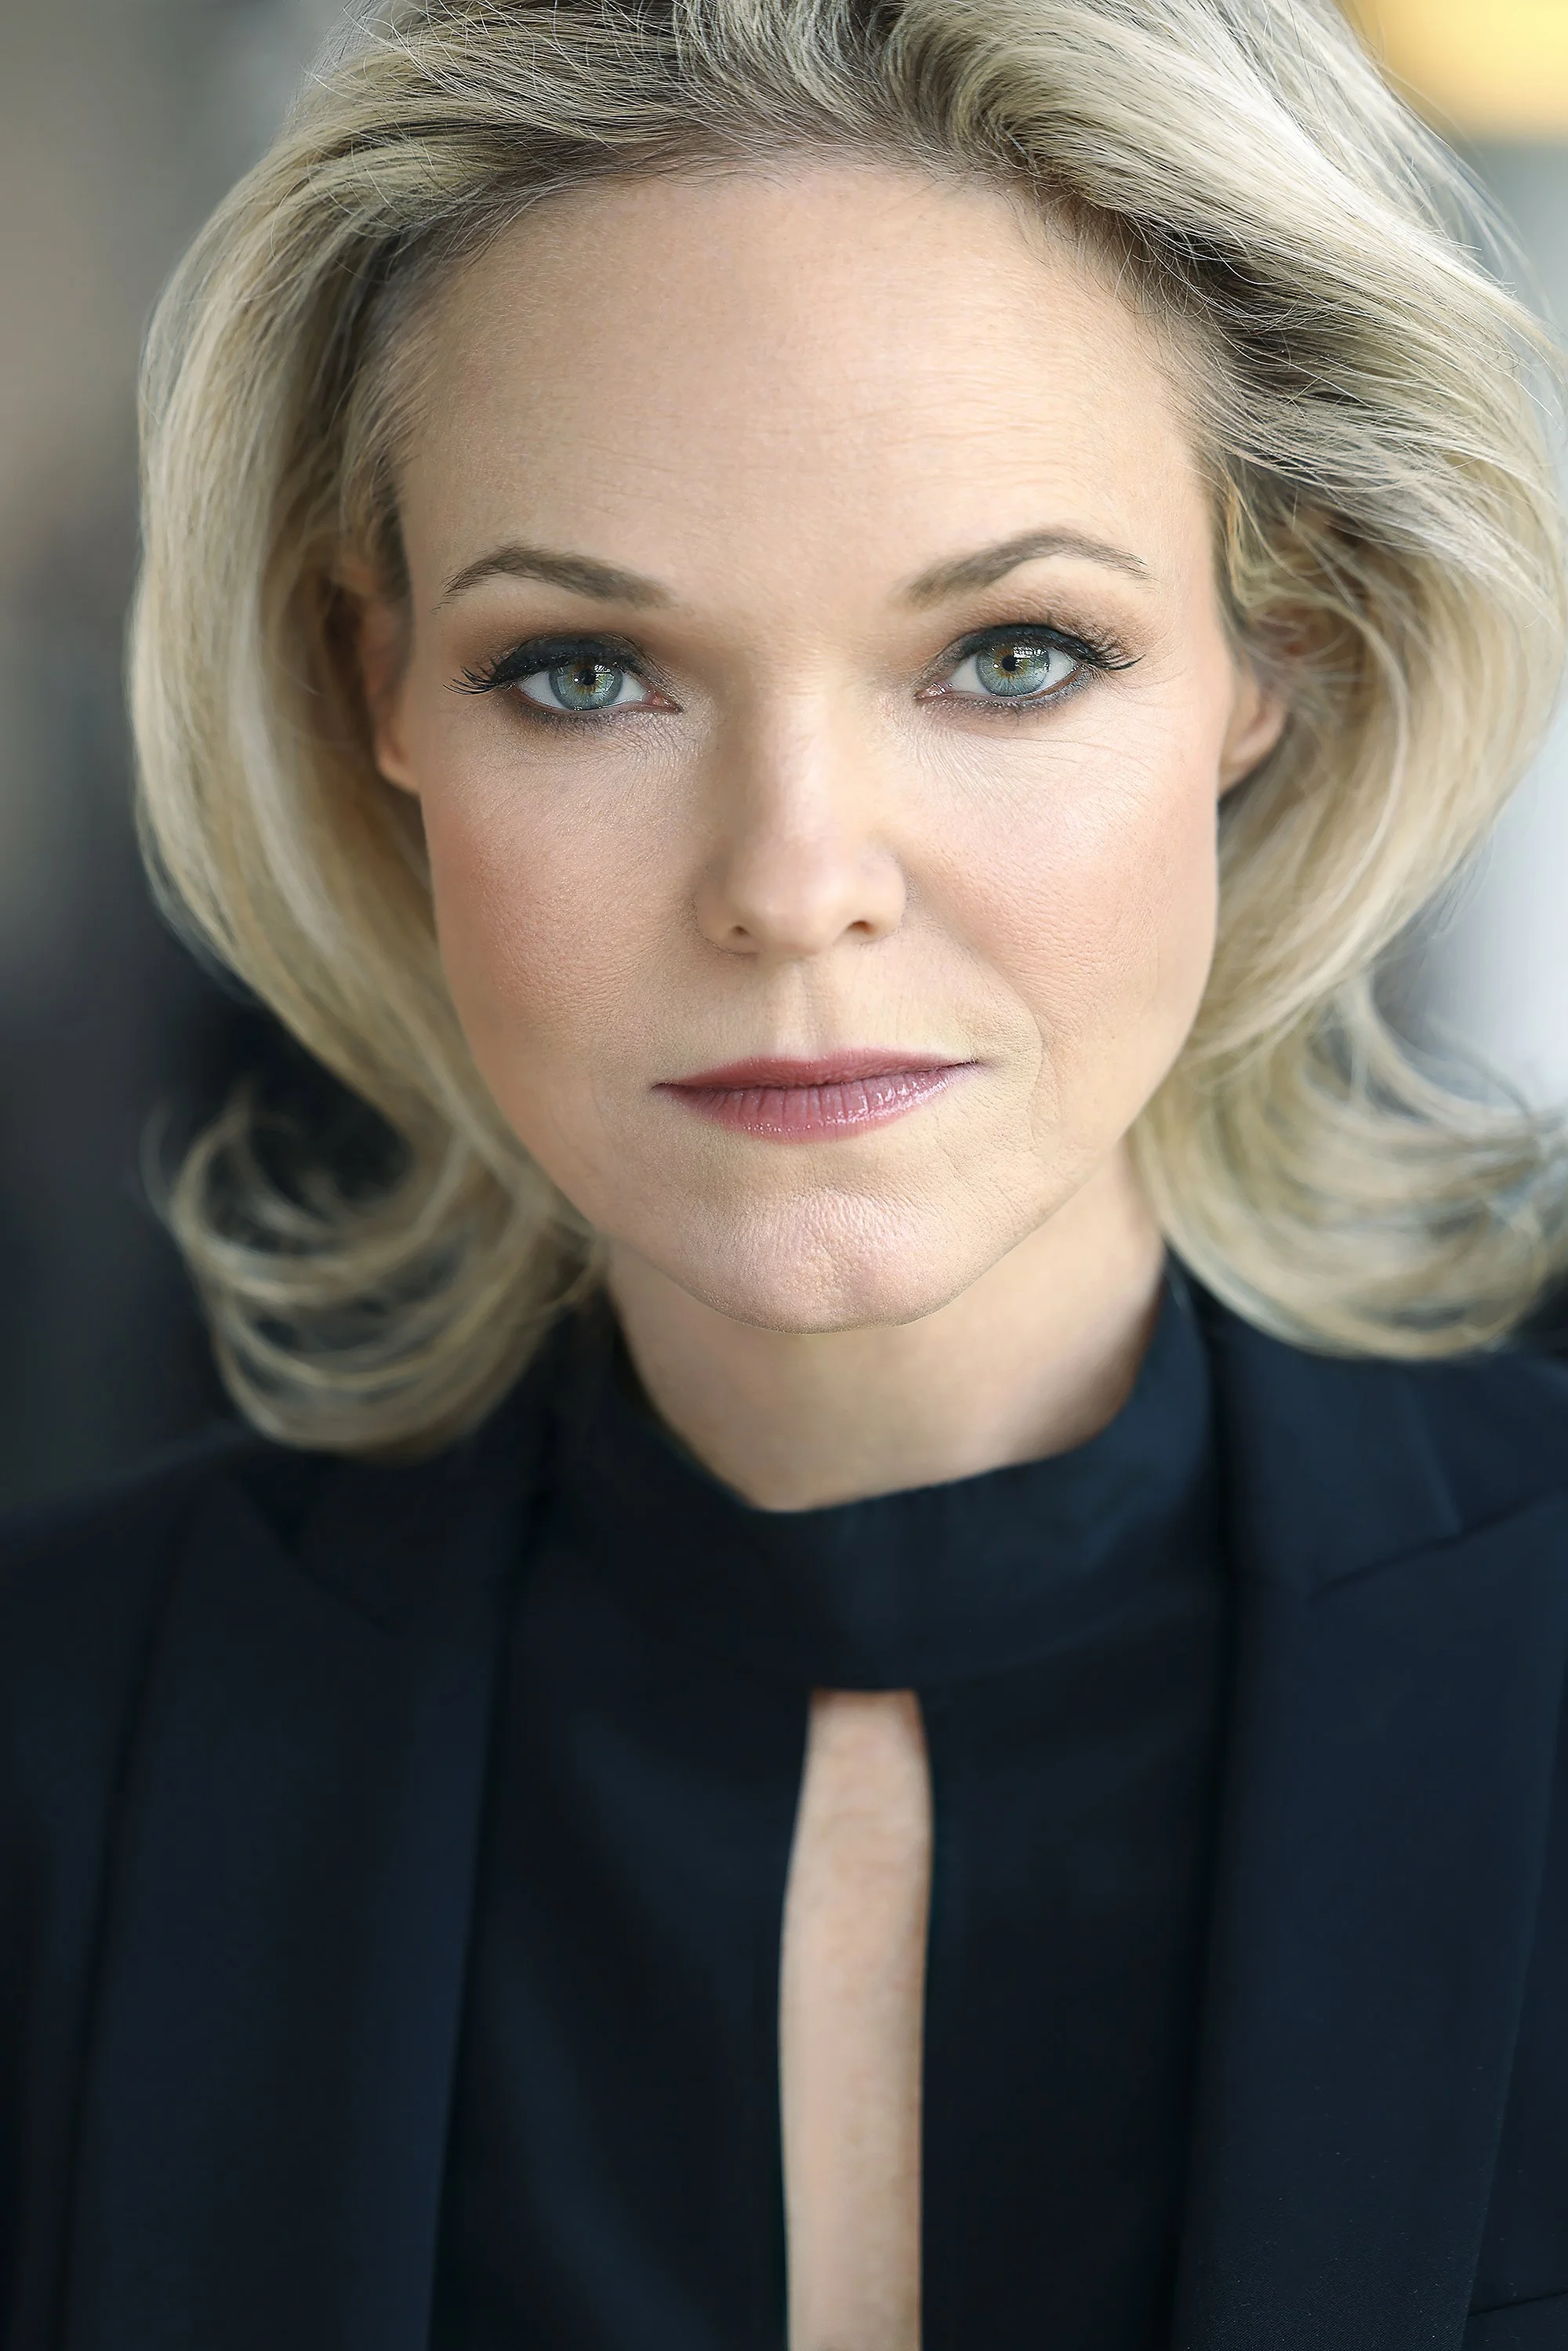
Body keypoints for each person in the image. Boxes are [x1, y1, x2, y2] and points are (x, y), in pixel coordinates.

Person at [5, 0, 1568, 2344]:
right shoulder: (50, 1745)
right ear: (378, 692)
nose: (791, 881)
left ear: (1283, 652)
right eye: (583, 671)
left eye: (1013, 653)